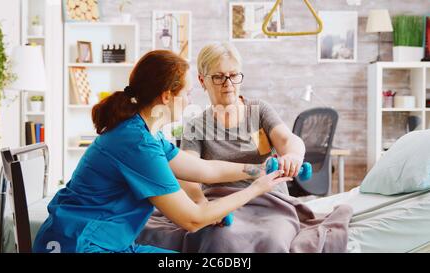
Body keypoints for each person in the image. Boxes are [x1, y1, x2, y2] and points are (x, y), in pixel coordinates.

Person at [33, 50, 292, 253]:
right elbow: (192, 219)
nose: (191, 101)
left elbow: (205, 169)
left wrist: (257, 171)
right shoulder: (136, 143)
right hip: (79, 244)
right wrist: (256, 188)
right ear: (167, 96)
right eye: (187, 93)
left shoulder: (146, 133)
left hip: (110, 244)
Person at [180, 42, 306, 204]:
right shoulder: (195, 127)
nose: (228, 83)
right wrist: (200, 202)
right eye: (218, 77)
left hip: (270, 200)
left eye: (233, 75)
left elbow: (286, 139)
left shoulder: (259, 111)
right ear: (202, 80)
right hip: (223, 205)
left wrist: (293, 155)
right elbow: (188, 173)